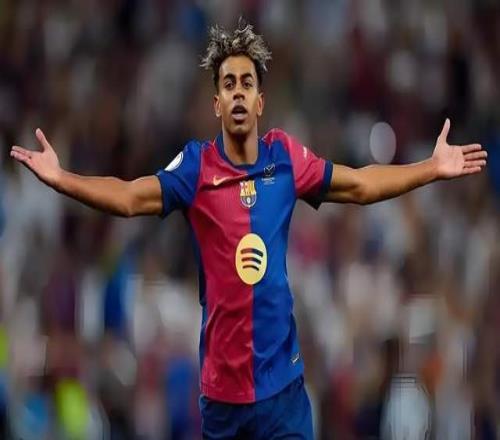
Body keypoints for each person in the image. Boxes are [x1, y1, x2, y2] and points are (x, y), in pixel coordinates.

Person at [10, 21, 487, 440]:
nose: (237, 92)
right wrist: (62, 178)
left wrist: (430, 167)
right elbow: (131, 197)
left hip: (283, 391)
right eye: (228, 84)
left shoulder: (286, 159)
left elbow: (360, 185)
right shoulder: (196, 167)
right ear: (217, 104)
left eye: (246, 83)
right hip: (223, 398)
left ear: (260, 102)